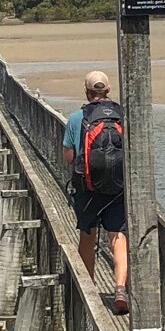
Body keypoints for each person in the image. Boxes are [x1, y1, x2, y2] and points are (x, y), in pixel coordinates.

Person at [60, 69, 129, 314]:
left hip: (87, 189)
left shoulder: (77, 118)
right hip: (118, 189)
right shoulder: (122, 116)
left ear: (87, 92)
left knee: (87, 236)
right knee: (117, 236)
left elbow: (69, 157)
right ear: (108, 90)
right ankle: (120, 288)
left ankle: (89, 289)